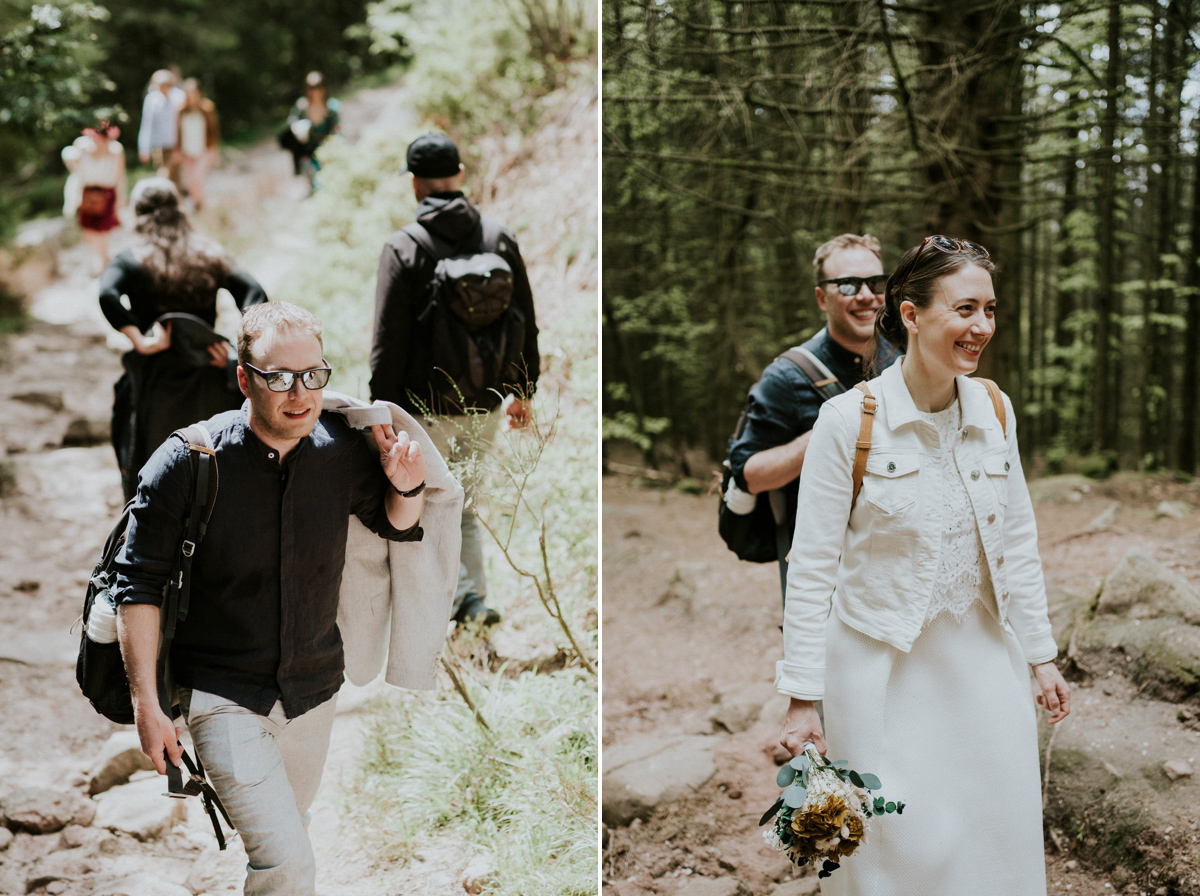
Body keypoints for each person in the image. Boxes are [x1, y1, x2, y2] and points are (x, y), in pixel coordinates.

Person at [776, 235, 1071, 894]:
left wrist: (1040, 653)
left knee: (996, 830)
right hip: (880, 672)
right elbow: (813, 567)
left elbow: (1018, 539)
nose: (982, 327)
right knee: (894, 848)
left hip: (985, 665)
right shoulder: (845, 422)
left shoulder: (995, 410)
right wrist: (802, 699)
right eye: (965, 309)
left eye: (990, 310)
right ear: (910, 314)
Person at [114, 302, 429, 896]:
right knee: (289, 864)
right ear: (243, 378)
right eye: (278, 377)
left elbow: (397, 525)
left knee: (291, 836)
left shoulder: (339, 453)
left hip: (313, 691)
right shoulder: (185, 462)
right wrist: (147, 704)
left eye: (314, 375)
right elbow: (139, 585)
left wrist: (405, 483)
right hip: (220, 695)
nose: (299, 392)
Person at [369, 133, 539, 626]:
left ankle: (443, 607)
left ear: (415, 184)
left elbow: (387, 342)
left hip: (423, 408)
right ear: (460, 175)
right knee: (464, 506)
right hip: (485, 405)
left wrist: (381, 412)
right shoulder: (499, 236)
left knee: (418, 507)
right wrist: (523, 391)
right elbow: (527, 315)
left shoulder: (404, 247)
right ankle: (472, 600)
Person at [728, 234, 899, 600]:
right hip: (824, 576)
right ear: (822, 297)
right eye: (848, 285)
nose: (866, 295)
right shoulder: (787, 377)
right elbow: (748, 474)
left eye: (876, 283)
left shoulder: (908, 359)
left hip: (899, 564)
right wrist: (829, 433)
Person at [99, 177, 267, 500]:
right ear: (179, 210)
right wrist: (236, 352)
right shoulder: (209, 253)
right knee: (213, 473)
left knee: (156, 473)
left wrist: (140, 339)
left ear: (138, 214)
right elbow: (253, 292)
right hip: (210, 376)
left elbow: (107, 294)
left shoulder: (131, 258)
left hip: (157, 380)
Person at [61, 121, 127, 272]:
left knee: (103, 232)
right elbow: (71, 165)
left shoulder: (116, 150)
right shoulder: (81, 146)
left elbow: (120, 177)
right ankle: (104, 259)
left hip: (107, 193)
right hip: (87, 194)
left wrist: (121, 200)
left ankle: (105, 264)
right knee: (88, 232)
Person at [281, 71, 341, 191]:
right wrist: (297, 128)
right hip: (307, 152)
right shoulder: (302, 106)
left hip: (326, 149)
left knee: (333, 180)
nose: (314, 92)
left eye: (317, 87)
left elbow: (336, 131)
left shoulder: (331, 107)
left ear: (323, 88)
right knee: (318, 183)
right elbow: (291, 124)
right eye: (310, 88)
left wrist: (329, 149)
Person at [175, 78, 219, 210]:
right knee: (189, 182)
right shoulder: (181, 110)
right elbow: (178, 132)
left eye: (194, 93)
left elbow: (214, 130)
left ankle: (200, 205)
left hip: (203, 150)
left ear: (199, 93)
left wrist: (213, 149)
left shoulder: (207, 108)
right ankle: (196, 203)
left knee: (198, 178)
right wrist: (178, 150)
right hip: (187, 151)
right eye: (188, 94)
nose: (191, 97)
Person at [137, 69, 184, 188]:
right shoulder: (152, 99)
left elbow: (182, 124)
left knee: (170, 177)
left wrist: (180, 147)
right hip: (159, 146)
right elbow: (147, 125)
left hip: (176, 145)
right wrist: (144, 148)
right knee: (166, 178)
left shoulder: (179, 97)